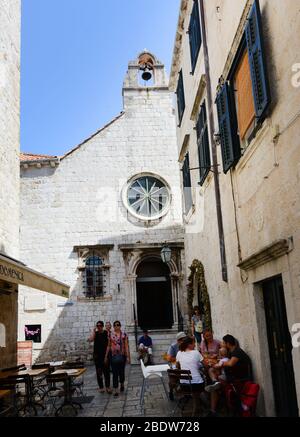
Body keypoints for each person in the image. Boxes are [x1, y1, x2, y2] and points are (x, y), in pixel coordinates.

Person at [205, 335, 252, 417]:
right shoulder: (231, 352)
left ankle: (213, 410)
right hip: (232, 376)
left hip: (238, 379)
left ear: (228, 343)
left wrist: (221, 364)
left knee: (215, 387)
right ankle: (215, 384)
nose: (222, 344)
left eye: (223, 342)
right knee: (213, 375)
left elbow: (230, 363)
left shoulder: (237, 352)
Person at [88, 320, 112, 394]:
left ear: (102, 326)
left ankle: (107, 387)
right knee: (99, 372)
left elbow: (108, 345)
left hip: (104, 355)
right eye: (97, 326)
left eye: (100, 325)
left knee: (106, 371)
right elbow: (90, 340)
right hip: (97, 356)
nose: (99, 327)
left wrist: (106, 356)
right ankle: (101, 387)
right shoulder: (95, 333)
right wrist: (93, 331)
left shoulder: (106, 333)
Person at [108, 320, 131, 397]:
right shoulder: (110, 335)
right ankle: (115, 390)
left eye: (118, 325)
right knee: (114, 373)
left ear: (120, 326)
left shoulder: (124, 334)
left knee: (121, 372)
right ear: (113, 326)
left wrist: (128, 357)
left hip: (122, 356)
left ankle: (122, 383)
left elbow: (127, 346)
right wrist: (106, 356)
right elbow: (108, 345)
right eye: (115, 325)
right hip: (113, 356)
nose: (116, 326)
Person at [165, 332, 187, 401]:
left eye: (185, 339)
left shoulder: (187, 345)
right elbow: (168, 358)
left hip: (186, 364)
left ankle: (185, 390)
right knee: (174, 377)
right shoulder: (173, 346)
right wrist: (178, 359)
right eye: (183, 340)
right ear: (178, 340)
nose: (184, 341)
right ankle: (171, 391)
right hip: (175, 364)